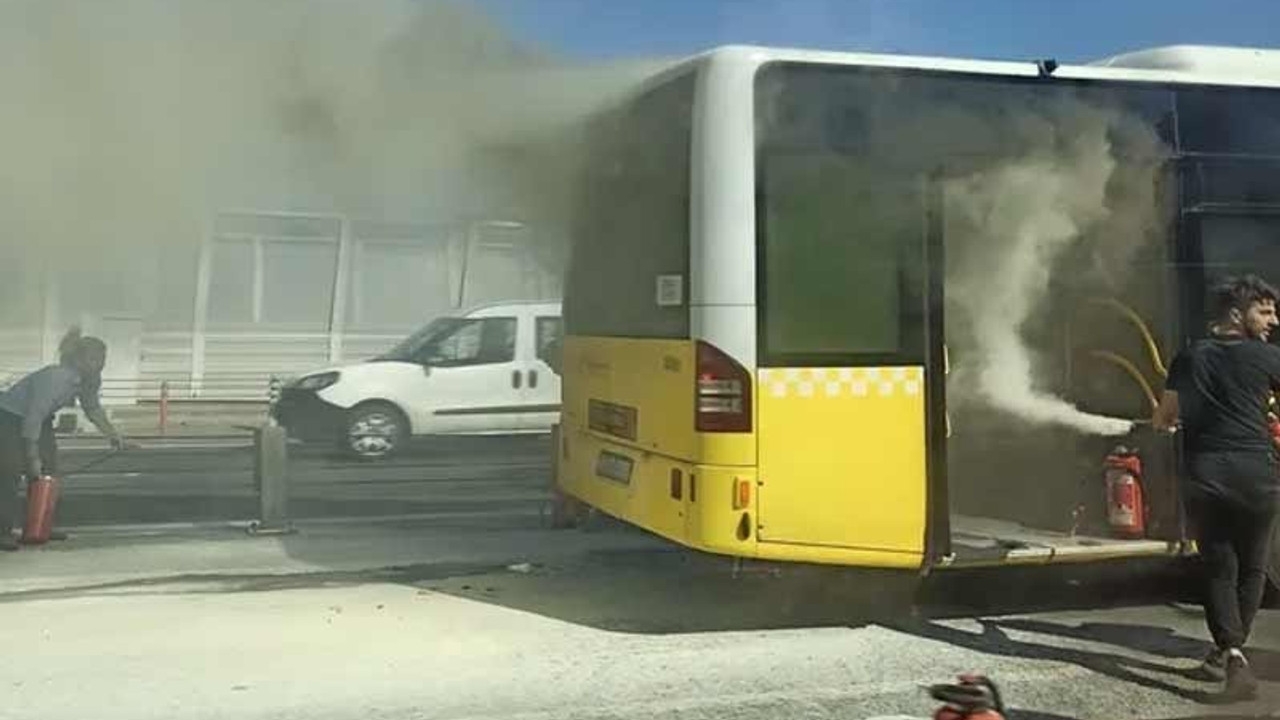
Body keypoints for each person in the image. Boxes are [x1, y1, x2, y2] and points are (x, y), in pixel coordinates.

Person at [1153, 274, 1280, 700]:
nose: (1273, 320)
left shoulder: (1189, 357)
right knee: (1254, 568)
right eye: (1264, 311)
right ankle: (1229, 652)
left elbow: (1164, 419)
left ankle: (1230, 653)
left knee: (1219, 568)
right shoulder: (1267, 359)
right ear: (1234, 314)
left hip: (1206, 477)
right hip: (1258, 476)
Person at [0, 327, 128, 551]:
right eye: (94, 358)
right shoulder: (56, 377)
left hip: (41, 420)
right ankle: (2, 531)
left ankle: (39, 526)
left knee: (49, 470)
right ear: (78, 359)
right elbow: (33, 416)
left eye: (102, 359)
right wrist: (31, 457)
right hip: (10, 417)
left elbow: (92, 408)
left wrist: (113, 435)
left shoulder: (90, 379)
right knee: (9, 471)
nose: (99, 364)